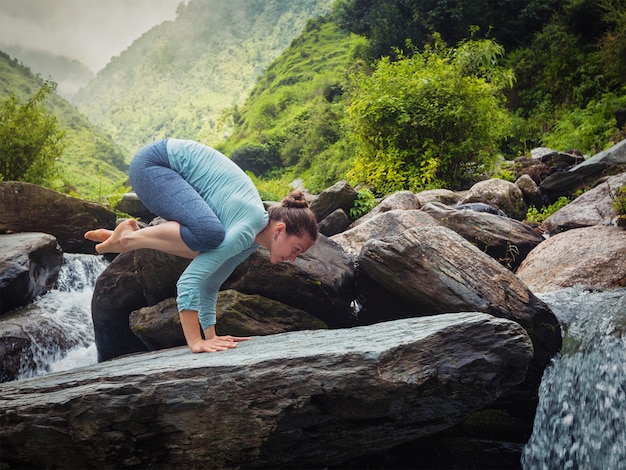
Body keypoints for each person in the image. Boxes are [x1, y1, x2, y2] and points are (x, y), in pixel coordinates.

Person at [85, 139, 318, 354]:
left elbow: (211, 281)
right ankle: (130, 239)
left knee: (207, 246)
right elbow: (188, 281)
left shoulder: (249, 239)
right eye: (296, 249)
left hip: (162, 170)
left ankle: (132, 237)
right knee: (209, 236)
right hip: (154, 165)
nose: (294, 258)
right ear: (280, 230)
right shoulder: (248, 226)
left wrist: (211, 334)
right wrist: (195, 342)